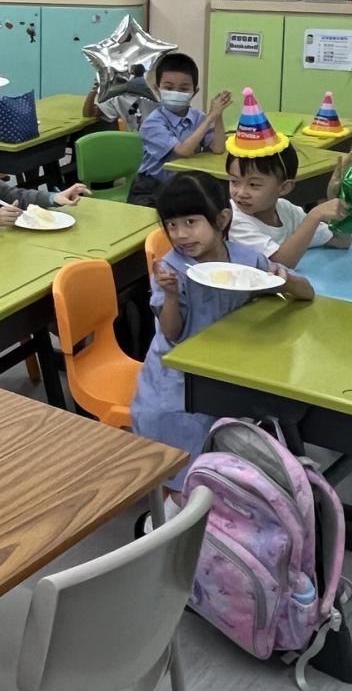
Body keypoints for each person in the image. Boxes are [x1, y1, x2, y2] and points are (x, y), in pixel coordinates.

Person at [131, 174, 314, 488]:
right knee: (179, 456)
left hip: (230, 367)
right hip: (177, 378)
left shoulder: (245, 259)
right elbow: (172, 333)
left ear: (221, 219)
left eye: (191, 222)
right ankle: (179, 502)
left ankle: (248, 488)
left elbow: (306, 293)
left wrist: (284, 280)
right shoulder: (172, 269)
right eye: (172, 225)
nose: (181, 234)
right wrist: (171, 294)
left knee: (257, 422)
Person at [129, 53, 232, 207]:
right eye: (169, 88)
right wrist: (210, 117)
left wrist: (218, 115)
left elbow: (218, 148)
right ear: (157, 89)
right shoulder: (152, 123)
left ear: (194, 92)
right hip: (151, 187)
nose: (176, 93)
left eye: (184, 89)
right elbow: (183, 151)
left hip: (185, 184)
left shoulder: (198, 117)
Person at [227, 146, 351, 269]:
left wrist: (337, 198)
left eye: (253, 184)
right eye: (234, 181)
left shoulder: (286, 209)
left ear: (284, 188)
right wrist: (314, 216)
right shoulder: (232, 220)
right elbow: (280, 265)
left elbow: (341, 241)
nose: (241, 193)